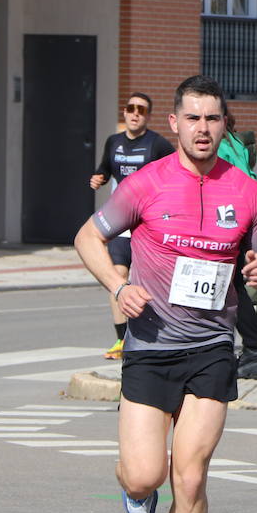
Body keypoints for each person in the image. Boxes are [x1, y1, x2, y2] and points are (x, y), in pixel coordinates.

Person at [73, 75, 257, 513]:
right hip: (150, 346)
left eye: (213, 119)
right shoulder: (145, 184)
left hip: (213, 348)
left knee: (189, 479)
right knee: (146, 476)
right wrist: (118, 288)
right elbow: (87, 238)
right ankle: (132, 487)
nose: (203, 128)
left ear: (223, 125)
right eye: (193, 118)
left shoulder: (247, 190)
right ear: (175, 123)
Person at [89, 92, 174, 360]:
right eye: (131, 108)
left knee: (150, 282)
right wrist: (99, 178)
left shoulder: (157, 144)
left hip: (148, 225)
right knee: (117, 278)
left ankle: (153, 337)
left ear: (148, 116)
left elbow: (174, 171)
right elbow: (104, 168)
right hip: (120, 223)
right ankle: (120, 339)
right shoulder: (113, 142)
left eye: (141, 109)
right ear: (124, 113)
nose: (135, 113)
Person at [216, 110, 257, 379]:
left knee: (230, 286)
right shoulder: (237, 142)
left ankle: (255, 350)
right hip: (243, 217)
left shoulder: (223, 147)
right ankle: (253, 350)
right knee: (233, 286)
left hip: (227, 219)